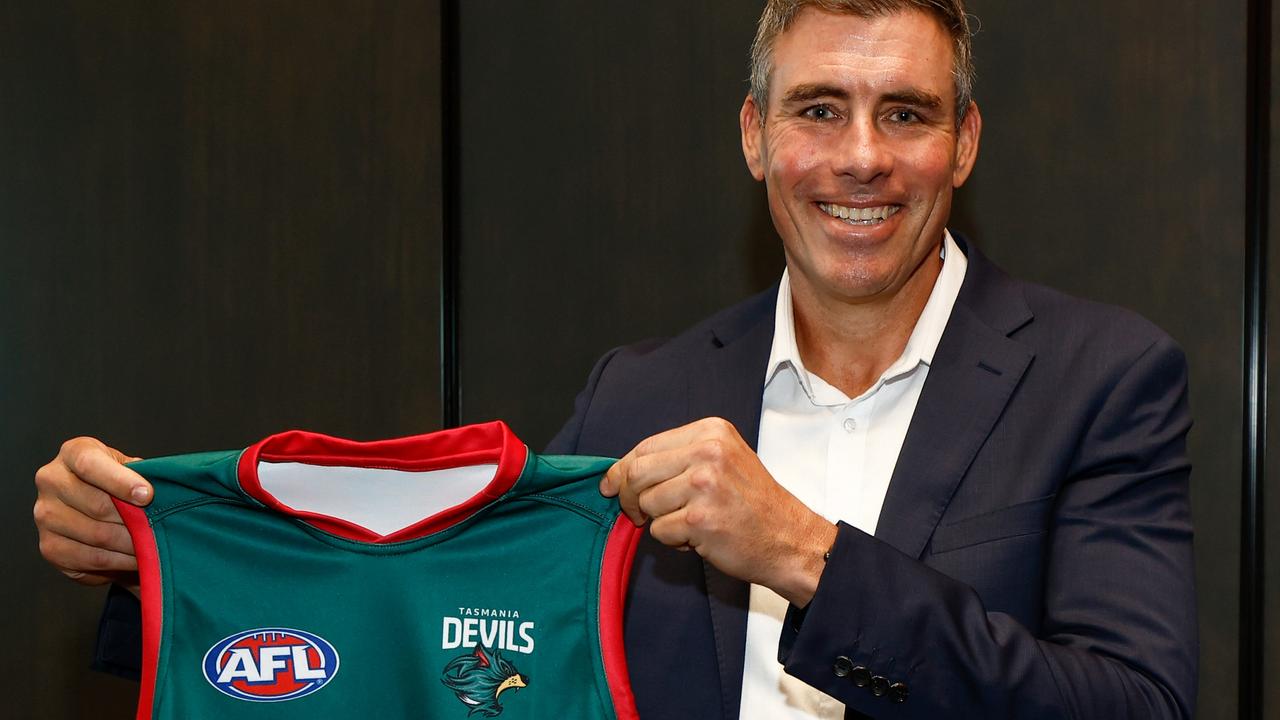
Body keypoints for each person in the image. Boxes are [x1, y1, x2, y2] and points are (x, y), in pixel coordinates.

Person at [34, 1, 1197, 718]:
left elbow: (1134, 706)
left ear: (963, 143)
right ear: (753, 137)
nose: (859, 159)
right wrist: (155, 563)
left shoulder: (1101, 377)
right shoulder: (638, 392)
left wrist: (804, 556)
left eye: (904, 113)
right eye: (816, 110)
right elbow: (476, 637)